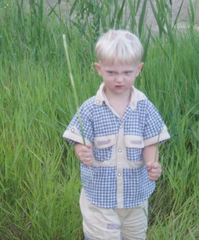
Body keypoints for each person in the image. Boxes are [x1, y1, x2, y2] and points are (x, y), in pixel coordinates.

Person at [63, 29, 170, 240]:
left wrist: (152, 164)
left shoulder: (145, 108)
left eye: (127, 72)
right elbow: (79, 139)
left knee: (135, 236)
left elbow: (150, 143)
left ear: (138, 69)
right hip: (100, 199)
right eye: (111, 72)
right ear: (99, 69)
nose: (119, 79)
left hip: (136, 198)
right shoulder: (90, 108)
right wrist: (81, 151)